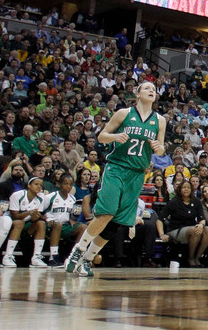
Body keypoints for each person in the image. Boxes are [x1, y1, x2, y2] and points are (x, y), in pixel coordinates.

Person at [64, 81, 167, 276]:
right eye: (147, 88)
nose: (151, 91)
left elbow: (161, 149)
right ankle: (77, 252)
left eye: (154, 89)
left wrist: (159, 148)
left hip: (137, 174)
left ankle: (88, 259)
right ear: (137, 94)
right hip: (117, 168)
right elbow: (102, 136)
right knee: (106, 213)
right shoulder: (124, 114)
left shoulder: (160, 120)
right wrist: (115, 137)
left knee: (117, 222)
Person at [158, 180, 208, 267]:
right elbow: (160, 219)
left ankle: (197, 257)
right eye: (184, 187)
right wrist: (161, 234)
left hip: (191, 228)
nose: (186, 189)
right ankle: (190, 258)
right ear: (180, 190)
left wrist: (201, 225)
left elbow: (202, 219)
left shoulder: (196, 202)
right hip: (176, 229)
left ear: (191, 190)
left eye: (188, 187)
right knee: (194, 231)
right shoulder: (174, 202)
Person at [1, 175, 49, 267]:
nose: (39, 187)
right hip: (11, 224)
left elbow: (35, 217)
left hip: (27, 224)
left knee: (41, 224)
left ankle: (36, 257)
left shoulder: (41, 197)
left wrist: (36, 216)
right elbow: (14, 216)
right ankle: (8, 256)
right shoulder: (17, 195)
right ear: (29, 185)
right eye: (36, 184)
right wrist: (29, 212)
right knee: (19, 223)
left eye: (41, 185)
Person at [43, 173, 86, 266]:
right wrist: (47, 219)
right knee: (58, 224)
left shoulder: (72, 199)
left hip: (65, 225)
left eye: (70, 184)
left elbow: (72, 214)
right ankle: (53, 257)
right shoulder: (50, 197)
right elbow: (40, 212)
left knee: (83, 227)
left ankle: (74, 255)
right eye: (65, 184)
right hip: (50, 225)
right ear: (59, 184)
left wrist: (72, 219)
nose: (68, 186)